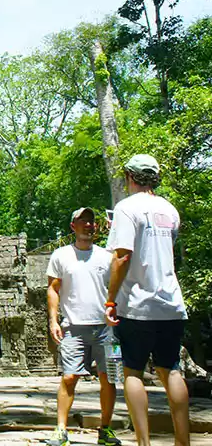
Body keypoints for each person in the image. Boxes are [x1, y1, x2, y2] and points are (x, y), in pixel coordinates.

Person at [105, 154, 190, 446]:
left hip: (137, 305)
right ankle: (183, 441)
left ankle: (144, 442)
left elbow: (122, 257)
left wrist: (110, 299)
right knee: (171, 370)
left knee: (133, 371)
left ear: (130, 177)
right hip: (171, 303)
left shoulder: (126, 209)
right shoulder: (170, 210)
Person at [46, 207, 121, 446]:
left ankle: (106, 429)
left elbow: (118, 286)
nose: (88, 225)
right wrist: (53, 320)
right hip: (73, 327)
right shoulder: (60, 255)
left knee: (108, 378)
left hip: (105, 328)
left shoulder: (107, 256)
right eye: (83, 222)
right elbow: (53, 289)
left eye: (91, 222)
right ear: (73, 226)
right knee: (69, 377)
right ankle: (60, 429)